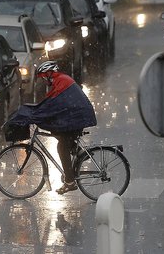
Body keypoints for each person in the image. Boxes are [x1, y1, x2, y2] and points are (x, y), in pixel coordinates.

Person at [7, 60, 97, 195]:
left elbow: (52, 104)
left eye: (43, 76)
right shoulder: (60, 80)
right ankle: (77, 151)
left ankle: (70, 182)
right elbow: (49, 102)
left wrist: (36, 115)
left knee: (61, 147)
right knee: (57, 131)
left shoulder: (61, 81)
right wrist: (38, 112)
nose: (43, 79)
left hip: (78, 116)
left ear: (49, 73)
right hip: (78, 115)